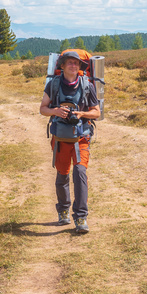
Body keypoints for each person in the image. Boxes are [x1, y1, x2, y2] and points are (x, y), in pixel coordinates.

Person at [39, 50, 100, 234]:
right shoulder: (53, 85)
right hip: (60, 138)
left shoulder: (87, 85)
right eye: (70, 63)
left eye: (77, 63)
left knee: (80, 172)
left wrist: (82, 114)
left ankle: (81, 217)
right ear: (63, 66)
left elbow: (96, 112)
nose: (73, 65)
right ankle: (63, 210)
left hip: (81, 137)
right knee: (63, 174)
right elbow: (42, 109)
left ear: (80, 67)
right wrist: (56, 111)